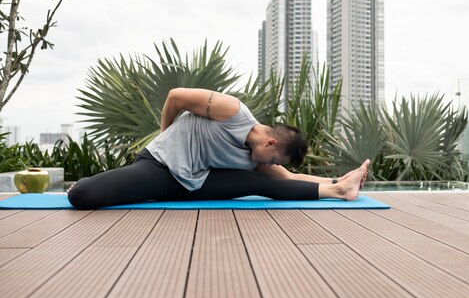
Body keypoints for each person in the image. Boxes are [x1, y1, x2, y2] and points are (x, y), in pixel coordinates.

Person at [67, 88, 369, 210]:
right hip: (160, 169)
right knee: (82, 196)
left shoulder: (256, 159)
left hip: (196, 183)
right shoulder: (231, 111)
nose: (270, 164)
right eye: (273, 159)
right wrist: (168, 139)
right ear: (271, 143)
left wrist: (339, 180)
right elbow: (175, 97)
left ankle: (340, 191)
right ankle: (94, 183)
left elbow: (287, 181)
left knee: (261, 184)